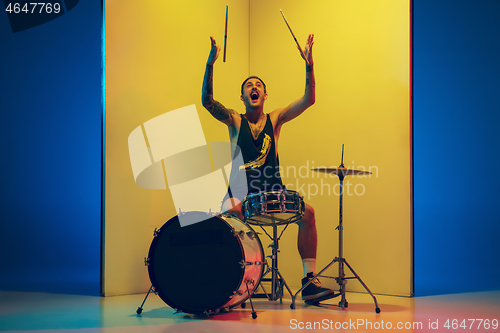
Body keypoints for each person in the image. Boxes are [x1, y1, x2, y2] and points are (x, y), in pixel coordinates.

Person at [201, 35, 335, 304]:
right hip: (240, 194)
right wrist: (210, 65)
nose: (254, 87)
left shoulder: (275, 119)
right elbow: (208, 102)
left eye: (258, 85)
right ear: (242, 96)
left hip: (271, 194)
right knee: (229, 212)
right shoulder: (234, 121)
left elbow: (309, 100)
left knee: (308, 213)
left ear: (264, 95)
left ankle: (309, 281)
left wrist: (309, 65)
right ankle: (225, 280)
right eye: (249, 85)